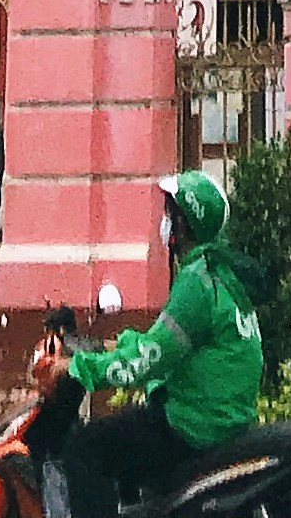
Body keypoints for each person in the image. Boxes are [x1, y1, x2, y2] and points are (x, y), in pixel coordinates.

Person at [62, 170, 267, 518]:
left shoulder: (197, 283)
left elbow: (150, 360)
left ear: (185, 224)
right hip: (221, 418)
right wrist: (112, 346)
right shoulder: (220, 274)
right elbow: (164, 343)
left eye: (170, 214)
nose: (164, 222)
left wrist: (80, 369)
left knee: (84, 450)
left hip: (194, 426)